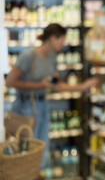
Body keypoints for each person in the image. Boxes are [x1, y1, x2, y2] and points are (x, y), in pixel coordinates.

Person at [6, 23, 98, 168]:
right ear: (53, 38)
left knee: (41, 147)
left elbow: (57, 86)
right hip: (25, 107)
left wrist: (82, 86)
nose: (64, 43)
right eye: (62, 39)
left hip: (42, 106)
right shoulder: (29, 56)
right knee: (25, 147)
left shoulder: (52, 58)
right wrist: (39, 85)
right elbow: (10, 82)